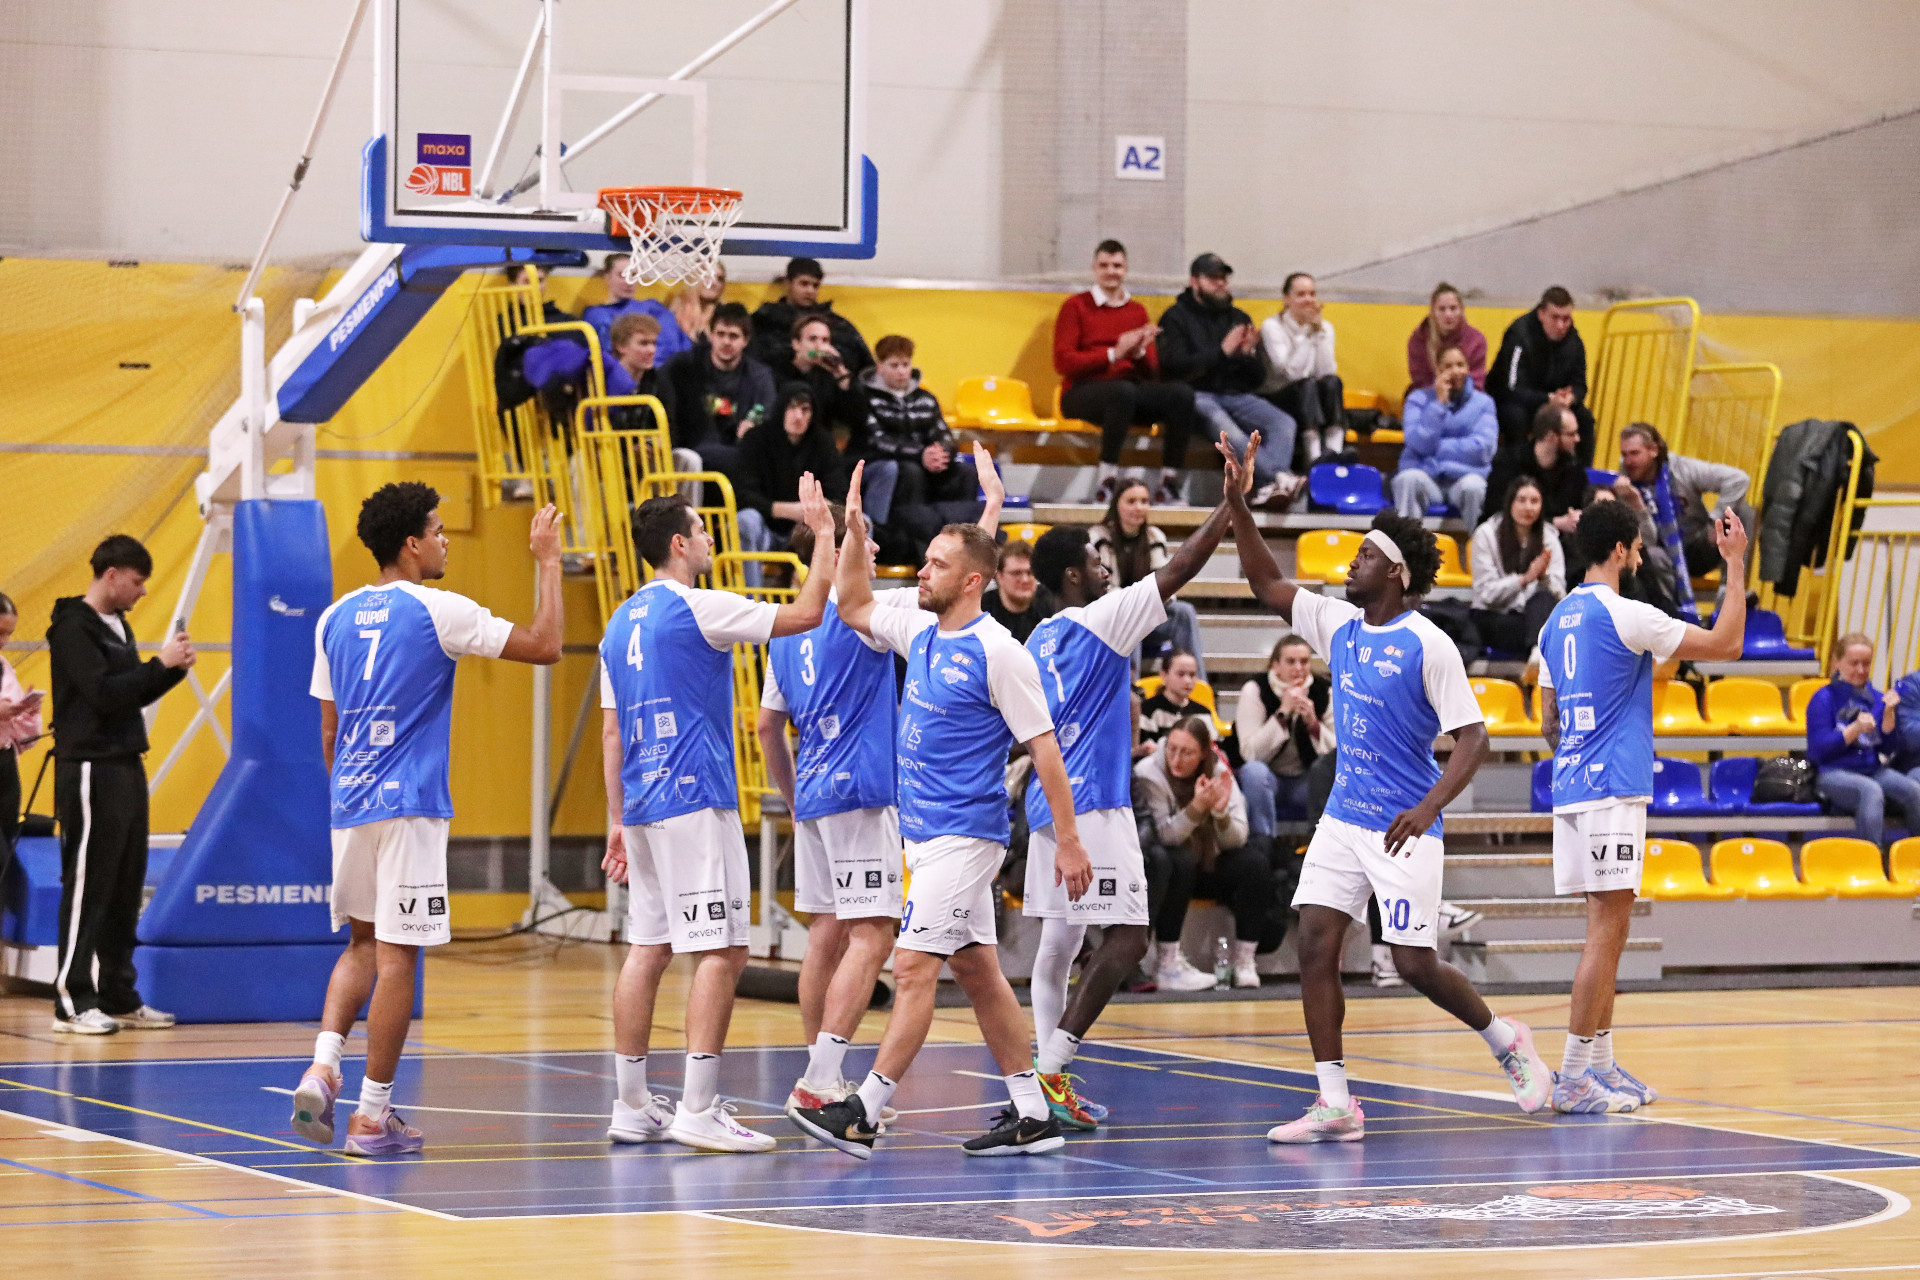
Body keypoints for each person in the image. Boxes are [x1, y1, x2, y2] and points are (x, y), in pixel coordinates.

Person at [1220, 436, 1554, 1141]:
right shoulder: (1337, 623)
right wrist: (1238, 505)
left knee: (1412, 964)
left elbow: (1473, 739)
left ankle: (1506, 1041)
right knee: (1315, 943)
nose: (1352, 562)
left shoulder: (1429, 644)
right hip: (1345, 817)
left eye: (1366, 555)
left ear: (1396, 573)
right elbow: (1265, 583)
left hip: (1405, 824)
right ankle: (1335, 1103)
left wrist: (1428, 807)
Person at [791, 473, 1087, 1159]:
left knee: (914, 966)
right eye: (924, 561)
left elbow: (1045, 749)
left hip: (966, 837)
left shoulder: (1000, 653)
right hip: (922, 838)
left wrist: (1069, 841)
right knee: (979, 971)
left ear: (973, 582)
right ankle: (1031, 1113)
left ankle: (862, 1111)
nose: (922, 572)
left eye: (937, 565)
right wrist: (850, 532)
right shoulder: (920, 627)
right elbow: (852, 601)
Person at [292, 489, 565, 1155]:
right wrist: (548, 563)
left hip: (350, 801)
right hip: (409, 805)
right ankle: (371, 1116)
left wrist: (350, 792)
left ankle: (323, 1066)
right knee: (398, 957)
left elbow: (327, 732)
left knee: (360, 944)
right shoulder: (439, 610)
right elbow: (546, 645)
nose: (446, 541)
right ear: (412, 544)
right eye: (439, 531)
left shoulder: (333, 618)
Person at [760, 450, 1005, 1123]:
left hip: (814, 795)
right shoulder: (862, 609)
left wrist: (793, 797)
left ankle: (820, 1072)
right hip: (864, 791)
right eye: (864, 540)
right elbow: (962, 584)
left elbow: (766, 726)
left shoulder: (787, 627)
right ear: (839, 551)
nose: (874, 549)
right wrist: (990, 509)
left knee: (825, 934)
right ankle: (819, 1080)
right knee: (872, 936)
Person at [599, 485, 839, 1153]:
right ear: (679, 544)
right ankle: (698, 1109)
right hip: (695, 798)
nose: (710, 540)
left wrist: (616, 818)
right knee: (724, 950)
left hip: (642, 803)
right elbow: (808, 613)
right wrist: (824, 534)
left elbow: (612, 733)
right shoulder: (698, 606)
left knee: (648, 947)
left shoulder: (618, 623)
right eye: (702, 531)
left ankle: (630, 1104)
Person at [1020, 500, 1233, 1127]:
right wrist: (1232, 503)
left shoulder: (1036, 640)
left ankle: (1046, 1085)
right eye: (1095, 561)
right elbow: (1182, 566)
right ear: (1072, 577)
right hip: (1093, 806)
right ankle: (1051, 1068)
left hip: (1046, 804)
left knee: (1059, 945)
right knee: (1130, 938)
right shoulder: (1102, 619)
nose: (1106, 568)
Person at [1537, 500, 1748, 1113]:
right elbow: (1728, 644)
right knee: (1606, 932)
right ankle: (1574, 1075)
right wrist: (1735, 563)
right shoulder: (1625, 613)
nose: (1638, 556)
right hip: (1611, 789)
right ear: (1621, 549)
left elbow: (1549, 721)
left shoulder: (1555, 620)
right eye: (1635, 547)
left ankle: (1600, 1064)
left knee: (1611, 926)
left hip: (1572, 786)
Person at [44, 536, 195, 1036]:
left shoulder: (118, 626)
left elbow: (130, 695)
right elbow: (104, 695)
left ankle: (117, 993)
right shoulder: (73, 627)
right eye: (136, 581)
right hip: (90, 768)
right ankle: (71, 1000)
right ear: (111, 575)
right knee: (88, 884)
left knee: (125, 885)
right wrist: (159, 665)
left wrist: (170, 672)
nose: (142, 591)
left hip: (126, 764)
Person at [1052, 239, 1198, 505]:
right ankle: (1107, 481)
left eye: (1117, 266)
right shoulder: (1075, 306)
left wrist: (1139, 352)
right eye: (1104, 265)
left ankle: (1168, 483)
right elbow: (1064, 363)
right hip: (1082, 392)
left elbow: (1152, 373)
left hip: (1127, 392)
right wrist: (1113, 354)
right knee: (1123, 392)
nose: (1111, 271)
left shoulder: (1137, 310)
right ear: (1094, 269)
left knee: (1181, 394)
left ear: (1126, 269)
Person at [1156, 253, 1302, 508]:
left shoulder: (1238, 318)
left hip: (1236, 395)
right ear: (1195, 281)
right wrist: (1222, 351)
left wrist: (1247, 356)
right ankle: (1277, 477)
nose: (1221, 283)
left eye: (1224, 278)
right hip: (1195, 395)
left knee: (1283, 423)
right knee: (1227, 429)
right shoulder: (1175, 318)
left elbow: (1257, 379)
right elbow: (1173, 368)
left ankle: (1267, 486)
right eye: (1213, 278)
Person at [1134, 717, 1267, 991]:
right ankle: (1167, 963)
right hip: (1169, 872)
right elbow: (1163, 836)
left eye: (1187, 752)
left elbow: (1238, 838)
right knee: (1175, 859)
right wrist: (1196, 809)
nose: (1176, 759)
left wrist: (1219, 813)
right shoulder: (1149, 772)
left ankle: (1244, 961)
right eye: (1172, 749)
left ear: (1204, 753)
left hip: (1206, 864)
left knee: (1254, 863)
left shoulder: (1219, 772)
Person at [857, 334, 978, 556]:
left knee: (966, 473)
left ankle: (963, 543)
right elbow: (877, 441)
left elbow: (944, 435)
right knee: (911, 472)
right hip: (887, 466)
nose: (902, 371)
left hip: (925, 464)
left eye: (905, 364)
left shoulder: (926, 398)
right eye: (894, 365)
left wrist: (941, 454)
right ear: (879, 367)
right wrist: (921, 455)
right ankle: (916, 544)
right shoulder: (865, 398)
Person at [1616, 422, 1754, 612]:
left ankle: (1729, 591)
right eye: (1624, 455)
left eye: (1634, 453)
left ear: (1654, 450)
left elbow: (1739, 479)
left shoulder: (1681, 469)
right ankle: (1669, 610)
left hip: (1697, 543)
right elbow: (1647, 540)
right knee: (1649, 554)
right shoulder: (1622, 484)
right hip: (1659, 552)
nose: (1628, 461)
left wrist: (1714, 521)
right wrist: (1637, 505)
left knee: (1742, 512)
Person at [1805, 633, 1920, 847]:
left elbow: (1888, 749)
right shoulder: (1823, 698)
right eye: (1854, 663)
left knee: (1914, 790)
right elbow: (1817, 753)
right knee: (1870, 791)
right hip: (1832, 772)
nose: (1860, 670)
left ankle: (1913, 855)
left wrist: (1889, 718)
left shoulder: (1876, 697)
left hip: (1872, 769)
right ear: (1836, 662)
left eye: (1866, 664)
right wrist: (1854, 730)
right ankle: (1872, 858)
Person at [1089, 479, 1206, 681]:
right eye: (1131, 501)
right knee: (1131, 616)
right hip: (1111, 617)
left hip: (1145, 613)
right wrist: (1135, 602)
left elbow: (1167, 585)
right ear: (1116, 504)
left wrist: (1143, 603)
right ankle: (1130, 692)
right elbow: (1102, 590)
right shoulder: (1098, 536)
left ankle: (1199, 689)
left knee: (1184, 612)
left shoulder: (1154, 536)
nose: (1139, 507)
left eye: (1144, 501)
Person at [734, 384, 850, 570]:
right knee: (746, 520)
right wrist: (787, 510)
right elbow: (743, 494)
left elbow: (839, 494)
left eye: (805, 410)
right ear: (781, 408)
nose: (798, 416)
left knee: (859, 521)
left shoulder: (823, 442)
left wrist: (817, 509)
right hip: (766, 529)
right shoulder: (756, 439)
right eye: (792, 408)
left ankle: (842, 589)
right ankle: (750, 589)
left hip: (810, 533)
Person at [661, 302, 777, 480]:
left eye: (733, 336)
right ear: (710, 335)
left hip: (739, 449)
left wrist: (754, 427)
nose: (726, 342)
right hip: (690, 446)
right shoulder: (683, 366)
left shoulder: (759, 376)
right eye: (720, 334)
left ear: (745, 340)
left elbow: (768, 412)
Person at [1235, 635, 1335, 835]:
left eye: (1304, 661)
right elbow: (1250, 753)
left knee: (1331, 774)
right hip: (1269, 779)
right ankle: (1263, 842)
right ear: (1276, 665)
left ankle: (1321, 842)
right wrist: (1282, 714)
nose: (1298, 668)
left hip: (1306, 781)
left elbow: (1336, 754)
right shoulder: (1255, 690)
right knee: (1254, 772)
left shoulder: (1324, 691)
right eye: (1291, 661)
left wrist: (1313, 724)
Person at [1392, 344, 1498, 529]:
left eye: (1460, 365)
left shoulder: (1484, 403)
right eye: (1448, 366)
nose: (1455, 371)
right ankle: (1406, 545)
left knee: (1475, 487)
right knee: (1407, 479)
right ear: (1437, 370)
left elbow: (1483, 448)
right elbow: (1416, 442)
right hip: (1427, 478)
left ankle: (1479, 545)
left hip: (1465, 478)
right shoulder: (1418, 400)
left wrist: (1435, 450)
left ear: (1468, 368)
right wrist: (1439, 405)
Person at [1489, 285, 1593, 463]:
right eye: (1555, 318)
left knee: (1584, 418)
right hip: (1511, 401)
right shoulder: (1519, 335)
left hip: (1552, 403)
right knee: (1516, 417)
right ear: (1541, 314)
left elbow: (1580, 385)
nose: (1561, 325)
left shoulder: (1574, 341)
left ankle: (1582, 474)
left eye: (1566, 319)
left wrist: (1571, 397)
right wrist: (1548, 399)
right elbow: (1512, 389)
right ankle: (1518, 472)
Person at [1470, 477, 1566, 657]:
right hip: (1495, 616)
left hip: (1532, 619)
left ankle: (1537, 652)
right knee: (1543, 632)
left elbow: (1560, 595)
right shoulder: (1486, 534)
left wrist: (1543, 578)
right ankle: (1538, 650)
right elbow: (1486, 594)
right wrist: (1524, 579)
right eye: (1521, 500)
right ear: (1510, 503)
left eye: (1534, 501)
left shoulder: (1549, 538)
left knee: (1544, 599)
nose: (1528, 507)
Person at [1259, 273, 1346, 467]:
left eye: (1312, 294)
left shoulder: (1325, 328)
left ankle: (1335, 454)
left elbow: (1327, 371)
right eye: (1301, 294)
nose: (1309, 300)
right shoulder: (1272, 326)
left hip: (1312, 396)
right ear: (1286, 299)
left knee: (1333, 382)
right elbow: (1291, 374)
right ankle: (1313, 458)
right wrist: (1307, 334)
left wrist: (1319, 334)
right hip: (1279, 397)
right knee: (1307, 385)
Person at [749, 256, 873, 375]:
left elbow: (865, 365)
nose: (810, 291)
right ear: (788, 283)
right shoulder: (765, 320)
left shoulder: (836, 324)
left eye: (815, 285)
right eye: (804, 284)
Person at [1486, 403, 1588, 536]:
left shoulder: (1575, 469)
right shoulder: (1508, 464)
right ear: (1551, 436)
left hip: (1560, 543)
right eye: (1571, 434)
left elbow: (1580, 507)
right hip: (1511, 539)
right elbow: (1497, 514)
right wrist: (1554, 523)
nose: (1577, 439)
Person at [583, 253, 691, 368]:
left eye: (633, 275)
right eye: (622, 275)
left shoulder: (655, 308)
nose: (629, 281)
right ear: (607, 277)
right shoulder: (598, 314)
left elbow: (683, 345)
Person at [0, 593, 43, 861]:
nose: (4, 641)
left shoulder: (4, 667)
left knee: (6, 844)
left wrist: (29, 713)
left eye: (9, 634)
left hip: (5, 766)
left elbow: (24, 739)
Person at [773, 315, 865, 435]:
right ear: (796, 344)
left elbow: (855, 418)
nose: (819, 346)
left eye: (825, 340)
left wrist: (841, 374)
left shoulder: (828, 376)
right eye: (812, 339)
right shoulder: (776, 372)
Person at [604, 313, 679, 440]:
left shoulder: (659, 379)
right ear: (621, 346)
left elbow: (670, 428)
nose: (652, 350)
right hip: (610, 448)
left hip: (648, 447)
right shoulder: (603, 379)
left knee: (686, 453)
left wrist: (650, 445)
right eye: (643, 343)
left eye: (654, 343)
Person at [1406, 282, 1488, 393]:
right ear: (1433, 312)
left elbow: (1476, 382)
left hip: (1467, 395)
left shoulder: (1476, 340)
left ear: (1462, 310)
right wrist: (1440, 392)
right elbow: (1420, 381)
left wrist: (1456, 396)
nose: (1448, 315)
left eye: (1453, 308)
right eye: (1442, 309)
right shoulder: (1419, 339)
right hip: (1429, 394)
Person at [984, 540, 1051, 644]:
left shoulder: (1051, 603)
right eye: (1016, 573)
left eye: (1030, 572)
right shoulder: (982, 610)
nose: (1025, 580)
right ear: (999, 576)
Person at [1138, 649, 1202, 752]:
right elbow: (1145, 748)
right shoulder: (1147, 710)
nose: (1188, 681)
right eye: (1180, 674)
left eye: (1192, 675)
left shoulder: (1203, 713)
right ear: (1164, 675)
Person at [667, 260, 727, 343]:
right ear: (692, 279)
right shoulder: (670, 315)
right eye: (707, 276)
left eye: (720, 279)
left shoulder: (726, 317)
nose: (714, 283)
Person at [505, 263, 572, 326]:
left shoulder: (565, 320)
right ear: (513, 285)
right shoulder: (505, 323)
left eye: (540, 280)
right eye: (527, 282)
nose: (537, 287)